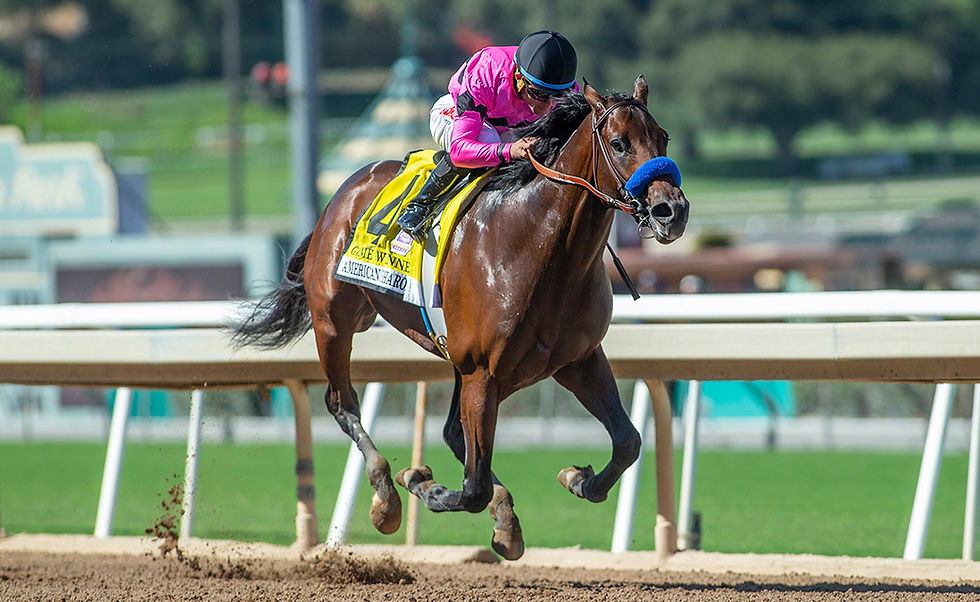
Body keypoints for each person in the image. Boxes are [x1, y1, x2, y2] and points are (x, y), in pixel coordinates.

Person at [396, 30, 578, 240]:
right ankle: (420, 204)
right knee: (488, 140)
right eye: (539, 94)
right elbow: (459, 150)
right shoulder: (487, 70)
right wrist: (509, 150)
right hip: (456, 115)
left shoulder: (567, 90)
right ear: (519, 77)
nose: (546, 106)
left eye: (556, 96)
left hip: (511, 129)